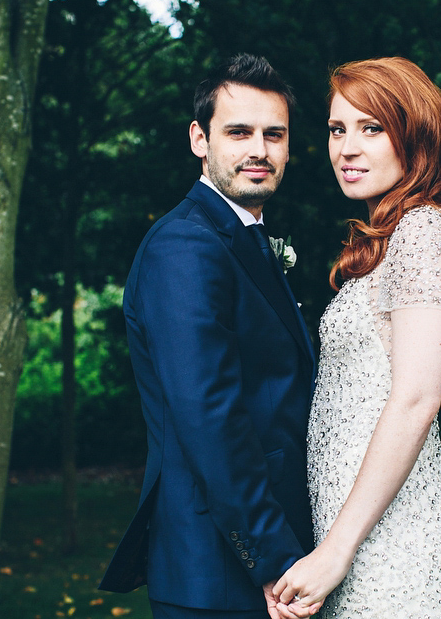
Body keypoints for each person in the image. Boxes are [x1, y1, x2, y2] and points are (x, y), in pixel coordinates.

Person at [271, 57, 441, 618]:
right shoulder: (389, 240)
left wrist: (335, 552)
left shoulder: (422, 232)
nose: (347, 148)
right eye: (336, 129)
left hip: (391, 541)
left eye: (371, 128)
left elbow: (417, 398)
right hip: (353, 533)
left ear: (415, 135)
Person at [98, 54, 317, 619]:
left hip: (257, 558)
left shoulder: (244, 237)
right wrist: (273, 560)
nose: (259, 150)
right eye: (238, 132)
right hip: (220, 573)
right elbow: (209, 417)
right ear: (199, 138)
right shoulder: (185, 248)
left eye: (275, 134)